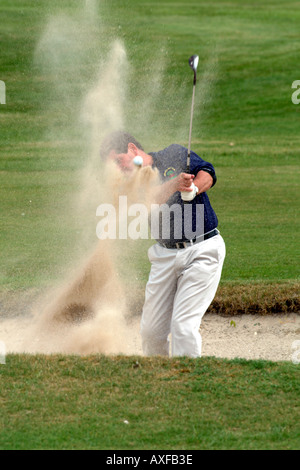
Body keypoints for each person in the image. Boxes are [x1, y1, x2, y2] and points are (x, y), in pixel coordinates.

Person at [100, 131, 226, 358]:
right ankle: (158, 383)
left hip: (202, 250)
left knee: (183, 327)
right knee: (150, 331)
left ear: (132, 149)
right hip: (164, 256)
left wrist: (194, 189)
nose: (119, 169)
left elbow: (207, 173)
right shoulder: (129, 184)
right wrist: (176, 184)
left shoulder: (174, 153)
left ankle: (187, 383)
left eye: (119, 161)